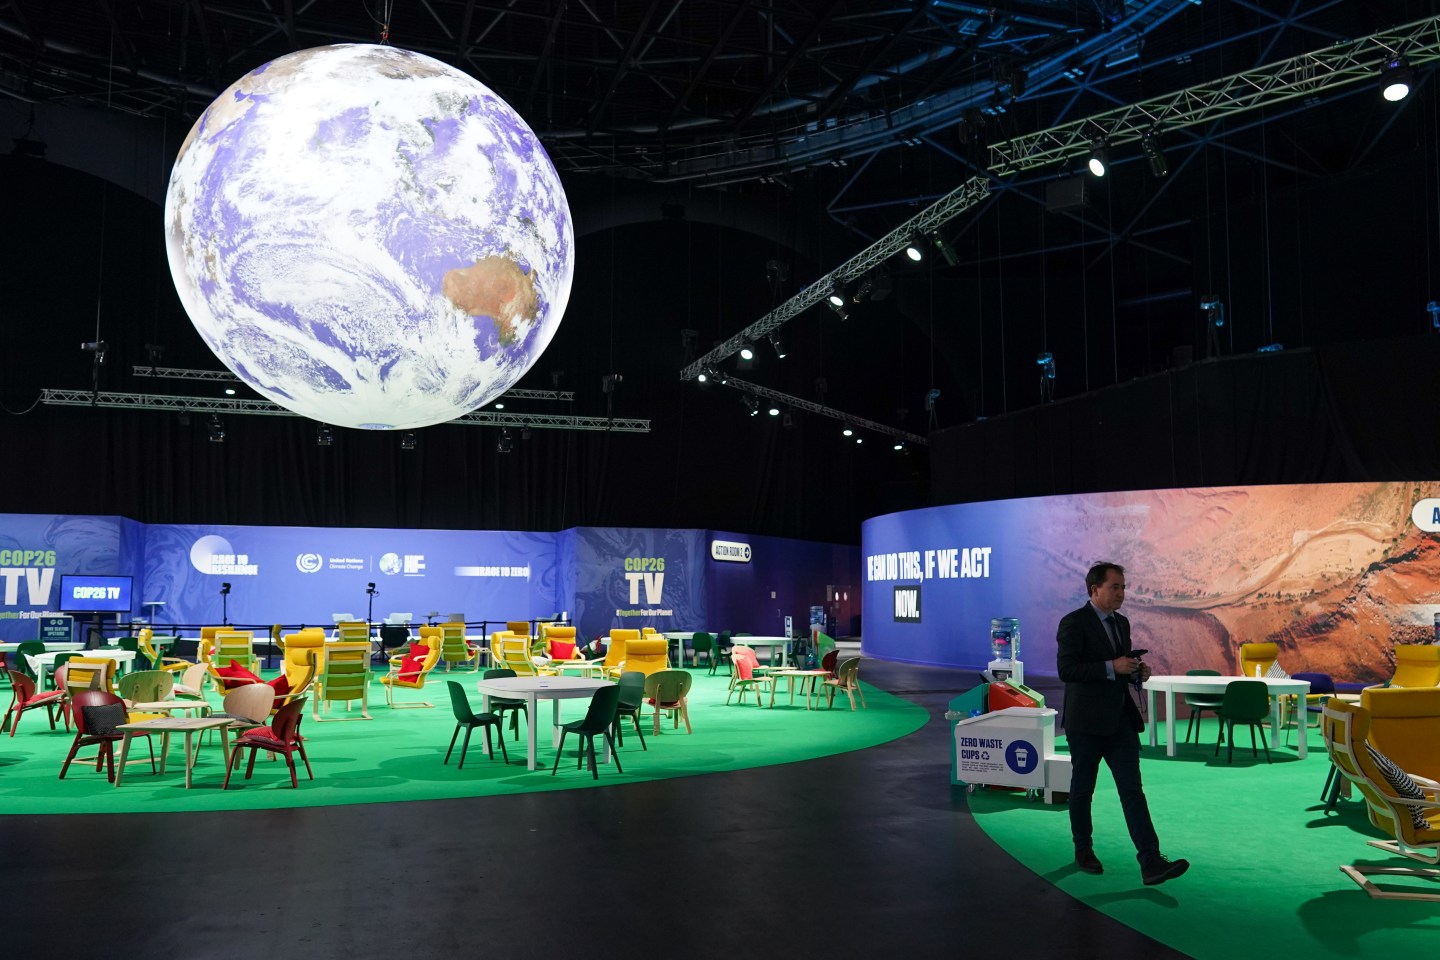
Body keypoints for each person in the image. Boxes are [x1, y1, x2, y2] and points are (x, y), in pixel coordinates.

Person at [1056, 561, 1189, 886]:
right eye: (1115, 587)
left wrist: (1135, 671)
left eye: (1123, 587)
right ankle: (1083, 849)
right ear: (1094, 589)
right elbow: (1067, 670)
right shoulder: (1073, 623)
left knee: (1133, 792)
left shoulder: (1122, 623)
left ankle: (1151, 862)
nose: (1121, 593)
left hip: (1120, 722)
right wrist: (1111, 667)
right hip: (1085, 723)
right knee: (1082, 790)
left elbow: (1119, 667)